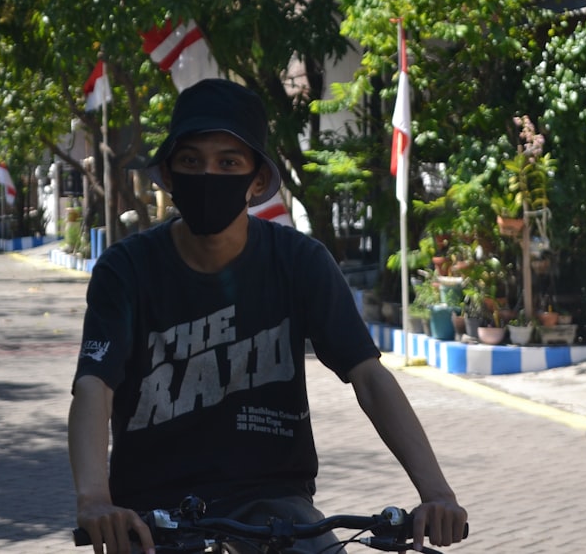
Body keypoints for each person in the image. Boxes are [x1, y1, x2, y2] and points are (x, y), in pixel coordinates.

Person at [68, 79, 467, 554]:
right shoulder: (127, 269)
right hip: (154, 515)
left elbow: (368, 375)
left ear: (257, 181)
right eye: (191, 160)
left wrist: (437, 494)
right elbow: (95, 386)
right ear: (170, 175)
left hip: (277, 508)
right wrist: (94, 500)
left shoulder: (300, 262)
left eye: (228, 162)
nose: (208, 175)